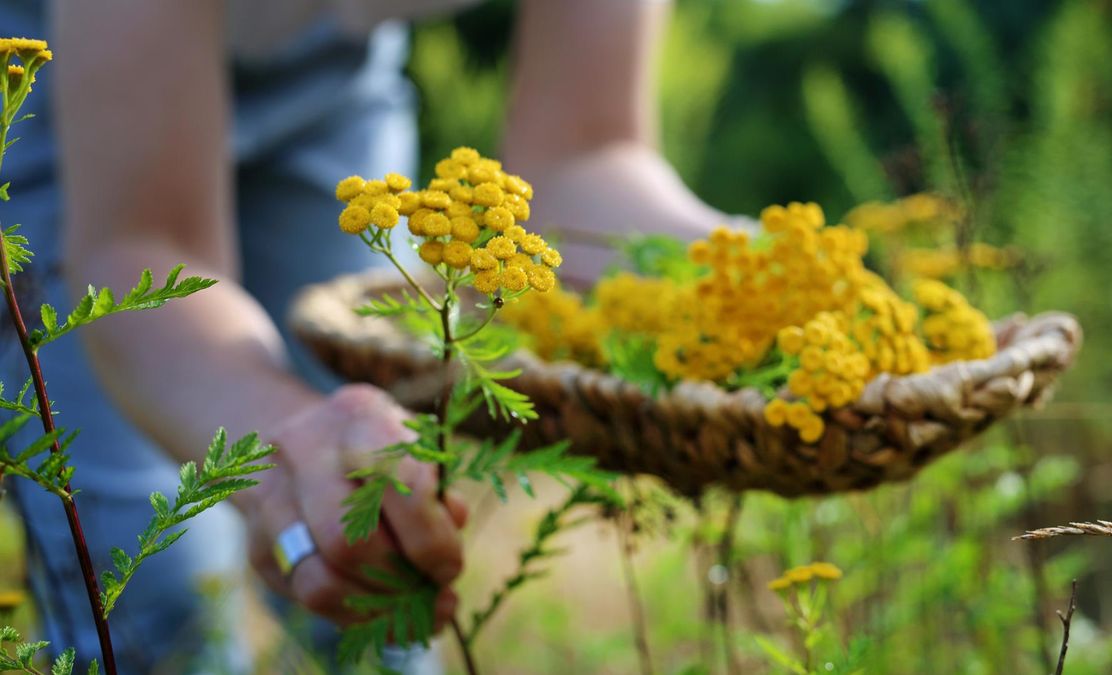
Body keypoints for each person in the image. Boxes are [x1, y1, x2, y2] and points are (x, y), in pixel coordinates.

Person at [2, 0, 725, 671]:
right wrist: (290, 438)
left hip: (333, 77)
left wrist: (781, 277)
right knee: (159, 599)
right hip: (52, 67)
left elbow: (583, 160)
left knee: (377, 559)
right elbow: (142, 249)